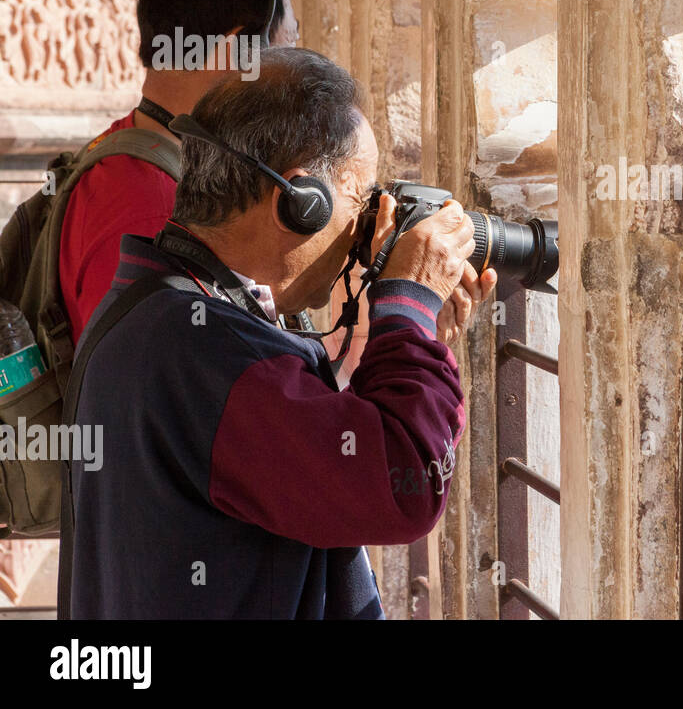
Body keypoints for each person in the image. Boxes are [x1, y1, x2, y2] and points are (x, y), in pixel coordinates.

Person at [60, 48, 496, 618]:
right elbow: (404, 484)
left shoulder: (153, 305)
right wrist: (408, 303)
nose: (371, 225)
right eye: (363, 198)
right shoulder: (205, 354)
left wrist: (405, 336)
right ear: (298, 201)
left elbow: (294, 436)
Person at [58, 0, 298, 345]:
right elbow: (156, 400)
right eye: (289, 45)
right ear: (238, 49)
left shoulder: (134, 156)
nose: (294, 73)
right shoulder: (150, 212)